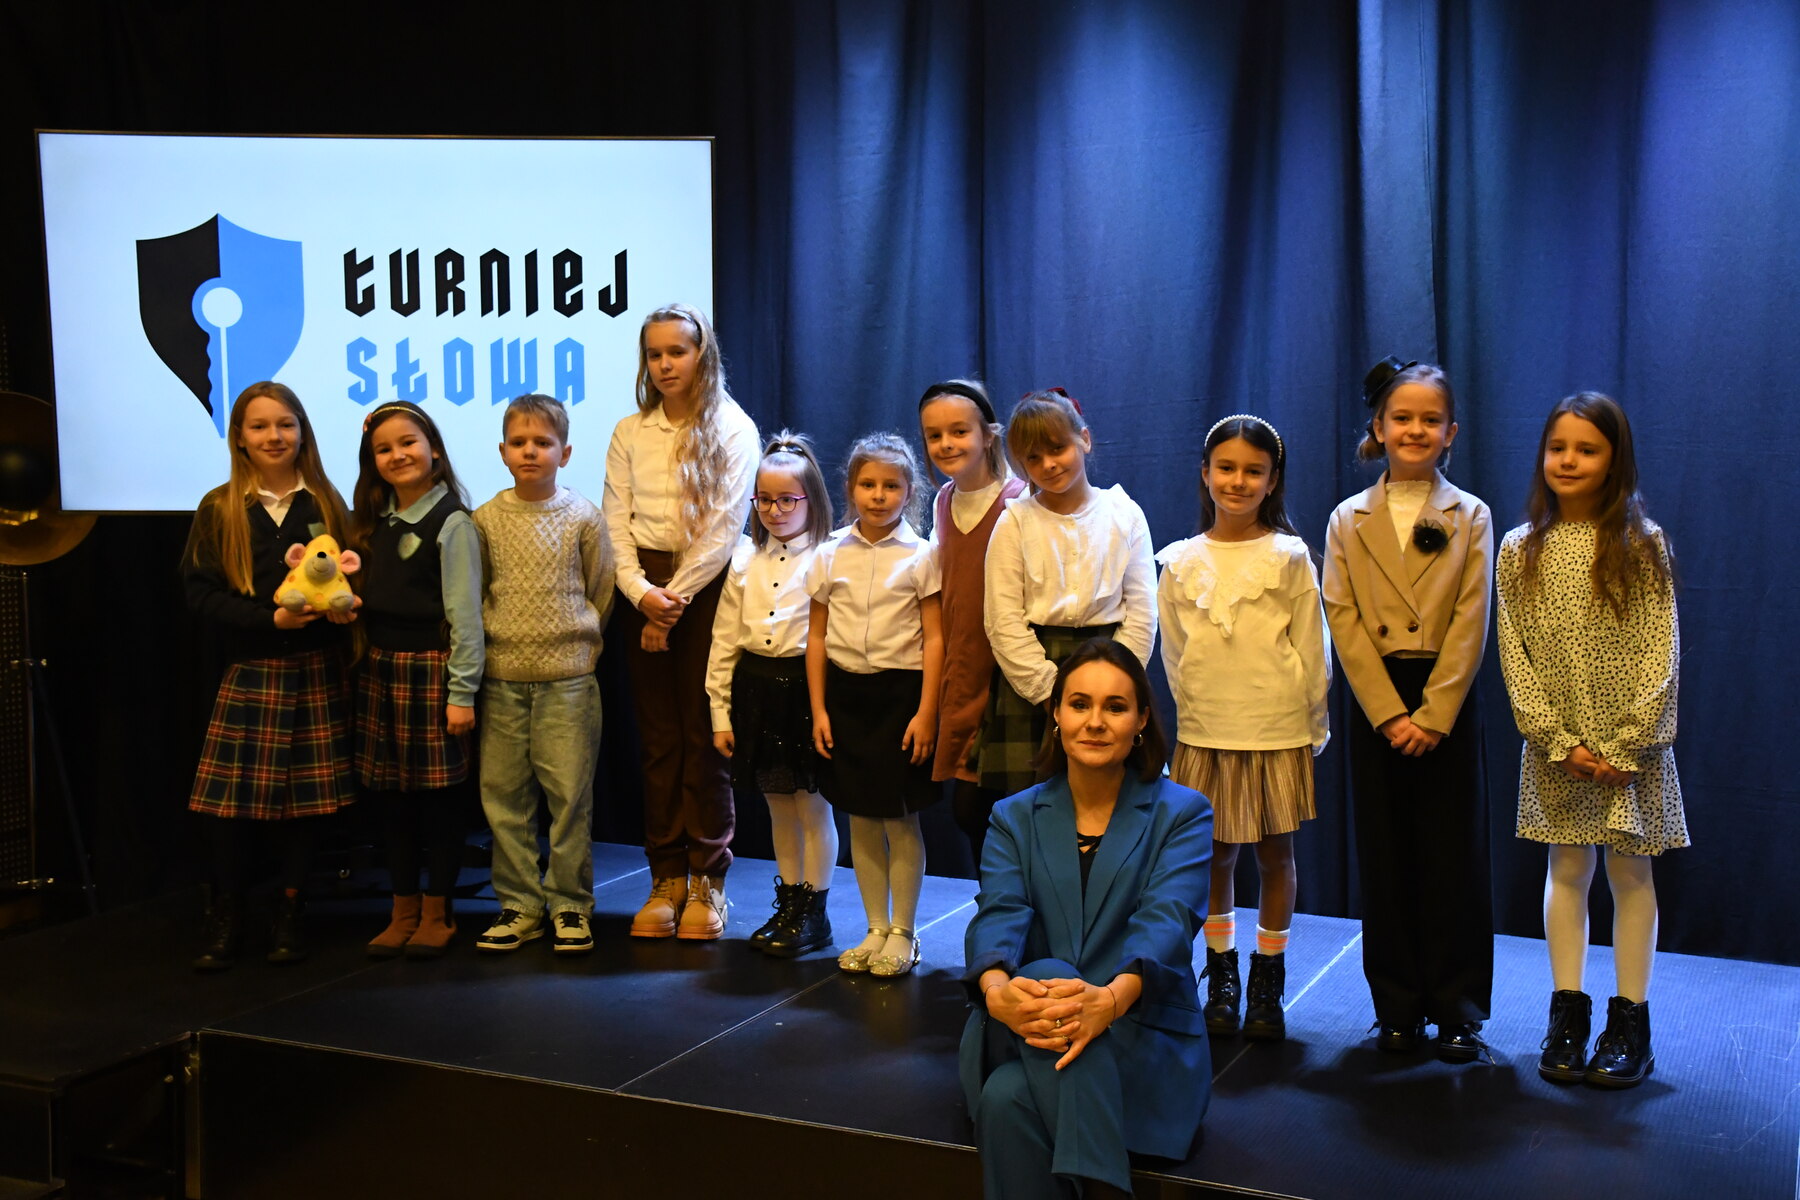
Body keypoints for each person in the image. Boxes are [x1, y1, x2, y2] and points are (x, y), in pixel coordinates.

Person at [961, 638, 1211, 1200]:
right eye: (1079, 704)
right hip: (1028, 1026)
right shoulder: (1012, 816)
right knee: (1047, 972)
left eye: (1115, 707)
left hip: (1136, 1035)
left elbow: (1167, 924)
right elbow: (999, 915)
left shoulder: (1184, 813)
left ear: (1141, 720)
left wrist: (1110, 1001)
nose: (1095, 722)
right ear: (1056, 714)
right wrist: (996, 993)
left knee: (1003, 1100)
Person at [1496, 392, 1682, 1089]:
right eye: (1558, 448)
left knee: (1630, 874)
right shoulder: (1520, 549)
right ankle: (1567, 1015)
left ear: (1614, 460)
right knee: (1567, 869)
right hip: (1560, 747)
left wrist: (1630, 745)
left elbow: (1660, 651)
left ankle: (1630, 1021)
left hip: (1632, 749)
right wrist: (1556, 739)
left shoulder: (1642, 543)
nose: (1569, 461)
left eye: (1587, 449)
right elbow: (1515, 655)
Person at [1322, 357, 1495, 1063]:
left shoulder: (1470, 514)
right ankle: (1395, 1006)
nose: (1415, 429)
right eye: (1402, 417)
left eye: (1430, 419)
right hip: (1378, 700)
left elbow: (1472, 617)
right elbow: (1342, 615)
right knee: (1386, 853)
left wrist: (1432, 715)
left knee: (1453, 854)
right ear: (1379, 426)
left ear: (1450, 431)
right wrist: (1389, 714)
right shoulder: (1348, 518)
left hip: (1445, 698)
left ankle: (1458, 1008)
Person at [1158, 414, 1329, 1043]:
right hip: (1205, 731)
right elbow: (1173, 654)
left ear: (1272, 480)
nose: (1237, 481)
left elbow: (1313, 648)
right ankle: (1222, 973)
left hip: (1276, 729)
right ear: (1205, 474)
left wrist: (1313, 723)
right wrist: (1192, 718)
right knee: (1214, 857)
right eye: (1225, 468)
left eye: (1252, 471)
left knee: (1276, 856)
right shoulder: (1179, 561)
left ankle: (1267, 978)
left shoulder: (1288, 557)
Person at [183, 382, 357, 970]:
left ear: (302, 432)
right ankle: (228, 912)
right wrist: (269, 621)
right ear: (239, 438)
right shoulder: (220, 507)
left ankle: (291, 909)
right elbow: (200, 594)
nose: (274, 436)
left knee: (305, 805)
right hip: (251, 671)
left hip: (315, 670)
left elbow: (347, 580)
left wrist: (342, 610)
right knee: (230, 809)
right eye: (259, 426)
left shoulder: (326, 502)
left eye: (285, 424)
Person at [604, 303, 760, 939]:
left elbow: (723, 528)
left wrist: (671, 604)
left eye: (678, 351)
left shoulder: (732, 426)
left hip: (706, 590)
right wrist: (641, 593)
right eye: (655, 354)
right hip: (642, 589)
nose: (665, 364)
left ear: (703, 355)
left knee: (703, 734)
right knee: (658, 739)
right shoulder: (630, 431)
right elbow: (615, 521)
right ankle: (665, 875)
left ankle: (708, 879)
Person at [472, 394, 614, 955]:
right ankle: (520, 905)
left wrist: (578, 645)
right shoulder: (486, 519)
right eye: (519, 443)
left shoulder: (583, 517)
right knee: (504, 797)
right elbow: (479, 590)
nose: (530, 451)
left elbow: (600, 588)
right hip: (503, 679)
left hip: (569, 682)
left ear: (565, 452)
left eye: (542, 442)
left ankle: (570, 904)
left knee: (570, 796)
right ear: (502, 451)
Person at [348, 401, 483, 959]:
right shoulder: (372, 524)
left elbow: (466, 619)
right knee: (391, 801)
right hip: (381, 672)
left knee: (439, 803)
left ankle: (437, 911)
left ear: (435, 451)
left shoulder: (452, 522)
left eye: (408, 442)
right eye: (383, 449)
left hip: (431, 673)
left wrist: (461, 694)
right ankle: (402, 909)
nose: (397, 455)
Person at [806, 432, 942, 977]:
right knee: (861, 818)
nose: (879, 495)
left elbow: (936, 638)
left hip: (901, 697)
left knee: (900, 818)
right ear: (850, 488)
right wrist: (819, 710)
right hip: (846, 697)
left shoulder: (922, 555)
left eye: (891, 486)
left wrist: (927, 712)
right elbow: (816, 637)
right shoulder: (829, 552)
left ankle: (904, 931)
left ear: (910, 492)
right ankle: (874, 927)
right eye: (868, 484)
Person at [982, 389, 1156, 800]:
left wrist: (1114, 684)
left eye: (1057, 448)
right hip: (1033, 679)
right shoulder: (1014, 522)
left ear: (1085, 440)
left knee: (1114, 803)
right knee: (1032, 807)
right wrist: (1051, 694)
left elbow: (1143, 613)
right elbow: (1002, 620)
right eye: (1033, 458)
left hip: (1111, 665)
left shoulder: (1124, 514)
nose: (1048, 464)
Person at [706, 431, 839, 956]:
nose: (775, 511)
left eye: (788, 500)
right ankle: (789, 904)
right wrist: (720, 713)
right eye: (764, 500)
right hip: (757, 692)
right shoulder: (745, 559)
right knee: (779, 807)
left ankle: (815, 911)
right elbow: (724, 641)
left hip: (806, 692)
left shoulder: (830, 555)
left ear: (812, 500)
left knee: (813, 807)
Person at [918, 379, 1026, 868]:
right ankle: (996, 905)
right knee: (969, 810)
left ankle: (1019, 904)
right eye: (934, 435)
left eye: (959, 431)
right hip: (963, 671)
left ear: (988, 434)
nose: (946, 444)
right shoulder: (943, 501)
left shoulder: (1019, 500)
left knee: (1002, 809)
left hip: (1007, 676)